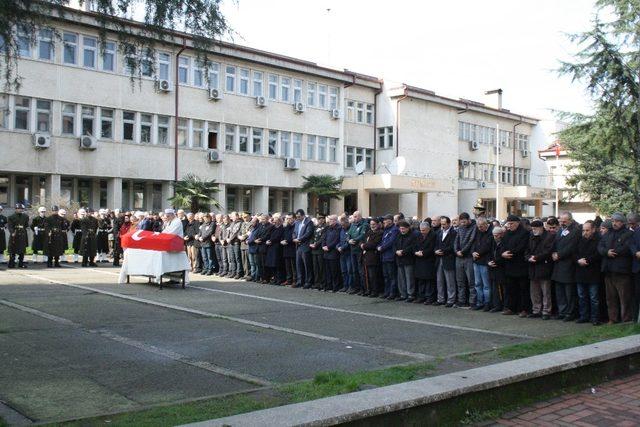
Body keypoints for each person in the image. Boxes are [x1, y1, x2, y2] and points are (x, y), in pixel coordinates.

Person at [598, 212, 634, 323]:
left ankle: (626, 320)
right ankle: (612, 319)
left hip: (621, 271)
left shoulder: (628, 234)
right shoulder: (608, 234)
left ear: (623, 222)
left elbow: (627, 248)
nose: (614, 223)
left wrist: (613, 252)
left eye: (617, 221)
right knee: (610, 298)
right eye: (613, 221)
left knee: (624, 298)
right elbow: (600, 246)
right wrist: (606, 252)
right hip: (608, 270)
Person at [551, 212, 581, 321]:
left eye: (564, 221)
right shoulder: (560, 230)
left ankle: (570, 312)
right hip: (558, 265)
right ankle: (562, 311)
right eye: (560, 221)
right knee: (560, 291)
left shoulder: (575, 231)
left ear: (570, 220)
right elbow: (554, 243)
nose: (562, 223)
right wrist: (553, 253)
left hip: (568, 265)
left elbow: (572, 247)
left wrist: (559, 255)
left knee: (569, 292)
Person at [500, 214, 530, 316]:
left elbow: (521, 247)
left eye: (511, 224)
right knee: (510, 289)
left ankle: (524, 309)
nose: (509, 226)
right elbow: (502, 245)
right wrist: (503, 253)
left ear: (518, 223)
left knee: (523, 289)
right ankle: (510, 308)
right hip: (509, 265)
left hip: (520, 265)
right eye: (508, 224)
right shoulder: (507, 233)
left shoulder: (525, 233)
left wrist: (509, 253)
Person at [525, 220, 555, 319]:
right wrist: (528, 257)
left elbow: (547, 251)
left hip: (543, 266)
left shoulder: (549, 236)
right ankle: (536, 310)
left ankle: (546, 311)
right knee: (534, 291)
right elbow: (527, 249)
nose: (533, 230)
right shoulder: (531, 236)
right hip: (532, 267)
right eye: (532, 229)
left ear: (541, 227)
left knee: (545, 291)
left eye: (535, 229)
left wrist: (536, 257)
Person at [576, 220, 602, 325]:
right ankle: (584, 316)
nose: (585, 232)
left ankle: (595, 318)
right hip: (580, 272)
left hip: (593, 272)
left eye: (587, 230)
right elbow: (574, 252)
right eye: (583, 230)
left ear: (593, 230)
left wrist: (586, 260)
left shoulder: (598, 240)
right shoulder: (579, 240)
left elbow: (598, 254)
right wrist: (578, 260)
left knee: (594, 297)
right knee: (582, 296)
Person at [454, 212, 477, 307]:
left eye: (464, 222)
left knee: (471, 281)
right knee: (460, 281)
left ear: (469, 220)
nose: (463, 224)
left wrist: (462, 251)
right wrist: (456, 251)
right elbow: (456, 240)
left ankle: (472, 301)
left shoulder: (474, 227)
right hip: (459, 257)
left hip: (468, 257)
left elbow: (471, 241)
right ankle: (461, 300)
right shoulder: (460, 228)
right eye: (461, 222)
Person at [472, 217, 493, 311]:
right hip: (476, 261)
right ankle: (479, 302)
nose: (479, 228)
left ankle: (487, 303)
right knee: (477, 283)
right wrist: (473, 252)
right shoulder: (477, 231)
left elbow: (487, 246)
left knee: (486, 285)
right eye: (478, 226)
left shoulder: (491, 232)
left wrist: (478, 253)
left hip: (484, 261)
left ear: (486, 224)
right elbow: (473, 243)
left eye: (481, 226)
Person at [435, 216, 457, 307]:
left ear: (449, 223)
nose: (442, 226)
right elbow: (436, 244)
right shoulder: (439, 233)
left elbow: (453, 246)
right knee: (439, 280)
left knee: (450, 281)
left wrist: (442, 251)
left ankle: (451, 300)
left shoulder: (453, 233)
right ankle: (441, 299)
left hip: (448, 258)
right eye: (442, 224)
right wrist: (435, 250)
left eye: (444, 224)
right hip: (439, 259)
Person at [394, 220, 418, 302]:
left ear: (408, 228)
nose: (402, 230)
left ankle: (410, 294)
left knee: (409, 278)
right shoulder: (398, 235)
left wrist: (403, 252)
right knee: (401, 278)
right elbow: (394, 245)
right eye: (400, 229)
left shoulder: (412, 236)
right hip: (399, 259)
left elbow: (412, 247)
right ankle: (403, 294)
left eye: (403, 228)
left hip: (408, 259)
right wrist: (396, 251)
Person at [414, 221, 437, 304]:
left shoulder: (433, 236)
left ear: (428, 229)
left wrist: (423, 253)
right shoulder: (418, 235)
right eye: (421, 230)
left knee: (429, 281)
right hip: (419, 260)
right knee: (421, 280)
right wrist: (416, 252)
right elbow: (415, 245)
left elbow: (432, 247)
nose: (422, 232)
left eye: (423, 230)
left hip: (428, 260)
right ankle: (421, 296)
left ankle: (429, 297)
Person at [378, 214, 399, 300]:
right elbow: (382, 241)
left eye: (385, 220)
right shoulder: (386, 230)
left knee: (392, 276)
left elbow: (391, 241)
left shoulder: (394, 230)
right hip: (384, 256)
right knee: (386, 276)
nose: (384, 222)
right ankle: (387, 292)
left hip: (390, 256)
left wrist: (382, 247)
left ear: (390, 220)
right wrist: (378, 246)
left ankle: (392, 293)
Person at [347, 211, 368, 294]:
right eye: (354, 216)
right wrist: (349, 240)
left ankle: (363, 288)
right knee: (354, 269)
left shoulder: (364, 224)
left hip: (359, 250)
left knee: (360, 270)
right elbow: (348, 234)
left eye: (356, 216)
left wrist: (354, 240)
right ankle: (357, 287)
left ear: (360, 216)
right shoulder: (352, 225)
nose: (354, 218)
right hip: (352, 249)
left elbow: (362, 235)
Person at [361, 217, 383, 297]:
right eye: (371, 224)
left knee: (373, 276)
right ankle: (368, 290)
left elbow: (374, 244)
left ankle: (375, 291)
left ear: (377, 224)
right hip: (366, 256)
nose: (372, 226)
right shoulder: (369, 232)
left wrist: (364, 246)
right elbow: (363, 241)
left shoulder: (380, 233)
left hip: (373, 257)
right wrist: (363, 245)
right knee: (366, 275)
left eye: (374, 224)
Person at [293, 209, 314, 289]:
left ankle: (308, 281)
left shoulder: (309, 222)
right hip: (298, 246)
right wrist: (294, 238)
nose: (297, 218)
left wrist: (299, 239)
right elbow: (294, 232)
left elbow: (308, 233)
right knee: (299, 264)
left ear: (303, 215)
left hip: (305, 246)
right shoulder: (297, 222)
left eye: (299, 216)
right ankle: (299, 281)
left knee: (307, 265)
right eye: (297, 216)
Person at [321, 215, 342, 292]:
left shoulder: (338, 228)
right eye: (329, 220)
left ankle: (335, 286)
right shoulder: (327, 228)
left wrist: (329, 247)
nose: (329, 221)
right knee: (327, 271)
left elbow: (336, 240)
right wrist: (323, 245)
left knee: (334, 271)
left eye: (331, 220)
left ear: (335, 220)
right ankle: (328, 285)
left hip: (333, 252)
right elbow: (324, 238)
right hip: (326, 252)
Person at [488, 226, 506, 312]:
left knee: (503, 289)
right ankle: (496, 305)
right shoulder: (492, 242)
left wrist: (495, 262)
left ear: (501, 234)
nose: (495, 237)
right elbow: (489, 253)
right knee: (495, 288)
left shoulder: (505, 242)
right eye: (494, 235)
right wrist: (488, 262)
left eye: (497, 235)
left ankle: (504, 305)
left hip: (501, 268)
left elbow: (503, 256)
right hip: (493, 268)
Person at [8, 203, 29, 268]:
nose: (20, 210)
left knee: (22, 250)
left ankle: (21, 263)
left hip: (22, 235)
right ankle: (12, 263)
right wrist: (12, 232)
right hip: (15, 234)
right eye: (18, 209)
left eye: (21, 209)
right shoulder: (11, 217)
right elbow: (10, 226)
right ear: (16, 209)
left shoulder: (25, 216)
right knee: (13, 250)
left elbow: (26, 225)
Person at [265, 214, 284, 284]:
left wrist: (271, 241)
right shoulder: (272, 228)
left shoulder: (282, 228)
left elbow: (278, 237)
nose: (274, 222)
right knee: (272, 265)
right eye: (274, 221)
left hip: (277, 248)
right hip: (271, 247)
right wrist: (267, 240)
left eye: (276, 221)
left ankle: (279, 279)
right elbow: (268, 235)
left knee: (277, 265)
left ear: (279, 221)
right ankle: (274, 278)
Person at [310, 215, 327, 290]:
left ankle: (322, 283)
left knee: (321, 268)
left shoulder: (325, 227)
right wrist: (311, 243)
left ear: (323, 219)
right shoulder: (315, 227)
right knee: (315, 267)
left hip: (320, 249)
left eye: (321, 219)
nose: (320, 220)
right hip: (314, 250)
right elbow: (312, 237)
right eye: (318, 219)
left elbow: (323, 238)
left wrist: (316, 244)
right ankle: (317, 283)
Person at [337, 216, 353, 293]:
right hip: (342, 253)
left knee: (349, 270)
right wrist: (338, 247)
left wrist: (342, 247)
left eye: (343, 225)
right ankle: (345, 286)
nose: (342, 226)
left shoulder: (351, 229)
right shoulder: (342, 230)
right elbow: (340, 240)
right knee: (343, 271)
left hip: (348, 253)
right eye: (341, 225)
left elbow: (349, 242)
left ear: (347, 223)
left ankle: (350, 286)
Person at [281, 214, 296, 285]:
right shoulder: (286, 227)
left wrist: (287, 241)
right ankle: (289, 279)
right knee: (287, 266)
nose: (288, 220)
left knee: (293, 266)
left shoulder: (296, 226)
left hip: (292, 248)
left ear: (294, 219)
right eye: (287, 218)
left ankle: (294, 280)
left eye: (290, 218)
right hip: (286, 248)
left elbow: (294, 237)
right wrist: (282, 241)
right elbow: (283, 236)